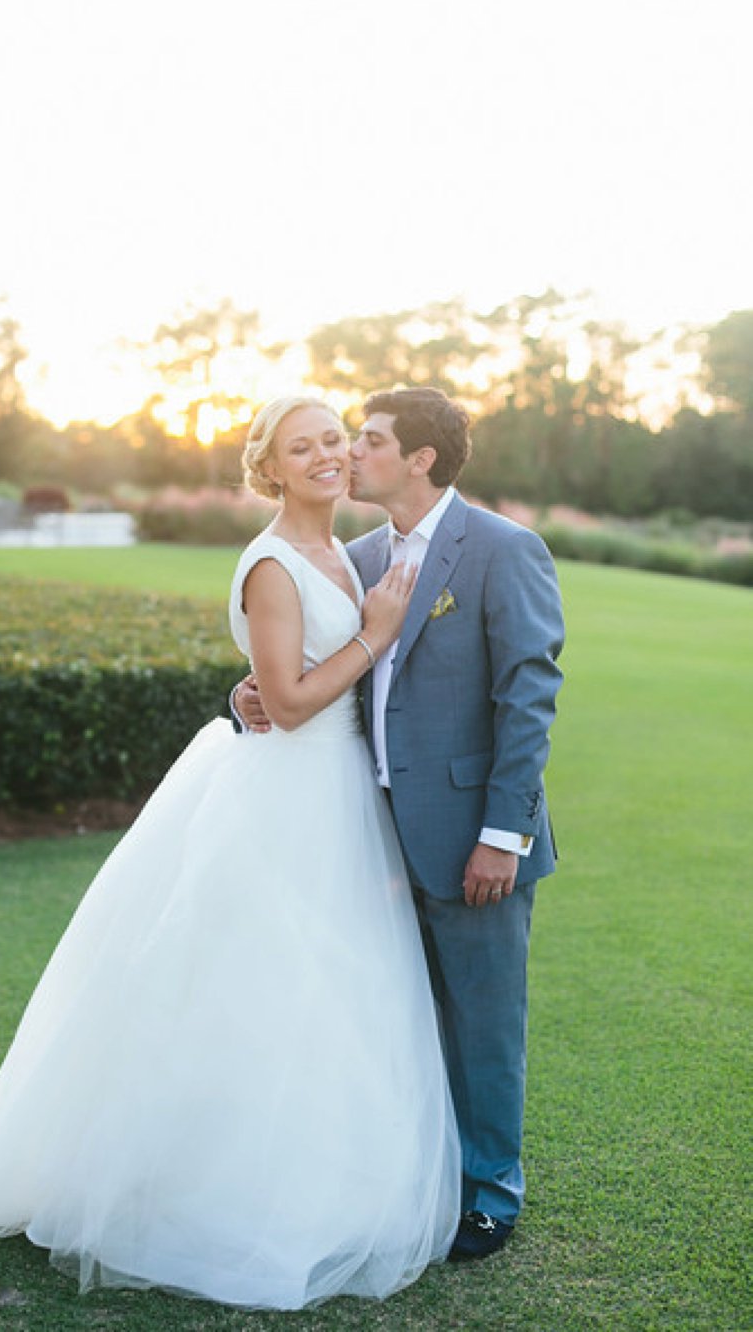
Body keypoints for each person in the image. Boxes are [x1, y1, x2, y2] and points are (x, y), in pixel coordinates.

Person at [0, 395, 460, 1311]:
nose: (326, 456)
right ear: (269, 467)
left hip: (341, 794)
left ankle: (320, 1180)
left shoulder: (346, 555)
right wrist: (373, 635)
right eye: (301, 446)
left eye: (334, 441)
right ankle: (215, 1195)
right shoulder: (273, 563)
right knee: (261, 989)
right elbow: (283, 701)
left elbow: (284, 688)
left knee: (330, 990)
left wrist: (354, 640)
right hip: (288, 798)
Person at [237, 387, 564, 1259]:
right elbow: (311, 667)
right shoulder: (354, 554)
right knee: (400, 1022)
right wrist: (246, 696)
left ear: (418, 459)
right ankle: (417, 1178)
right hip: (365, 836)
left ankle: (490, 1192)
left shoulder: (503, 548)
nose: (350, 455)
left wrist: (505, 833)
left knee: (484, 1025)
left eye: (367, 441)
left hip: (471, 839)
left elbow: (527, 700)